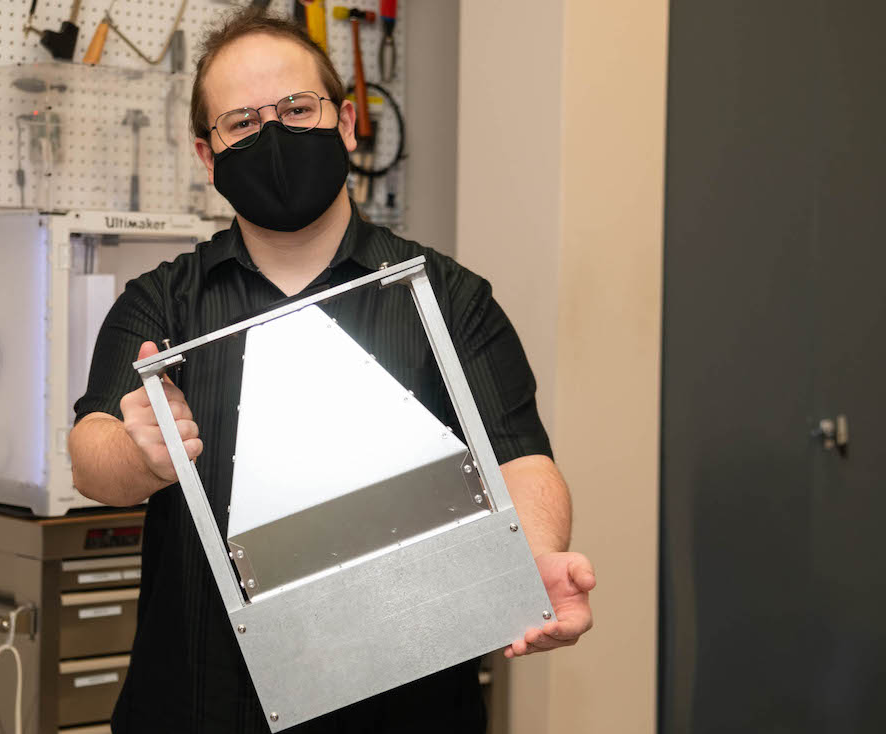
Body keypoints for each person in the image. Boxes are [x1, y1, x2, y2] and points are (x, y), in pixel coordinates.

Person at [69, 10, 596, 733]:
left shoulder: (444, 297)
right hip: (198, 705)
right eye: (242, 123)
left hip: (408, 709)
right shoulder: (164, 301)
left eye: (295, 109)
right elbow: (92, 451)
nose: (274, 135)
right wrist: (139, 452)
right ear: (206, 151)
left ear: (346, 122)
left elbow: (521, 460)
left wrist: (530, 559)